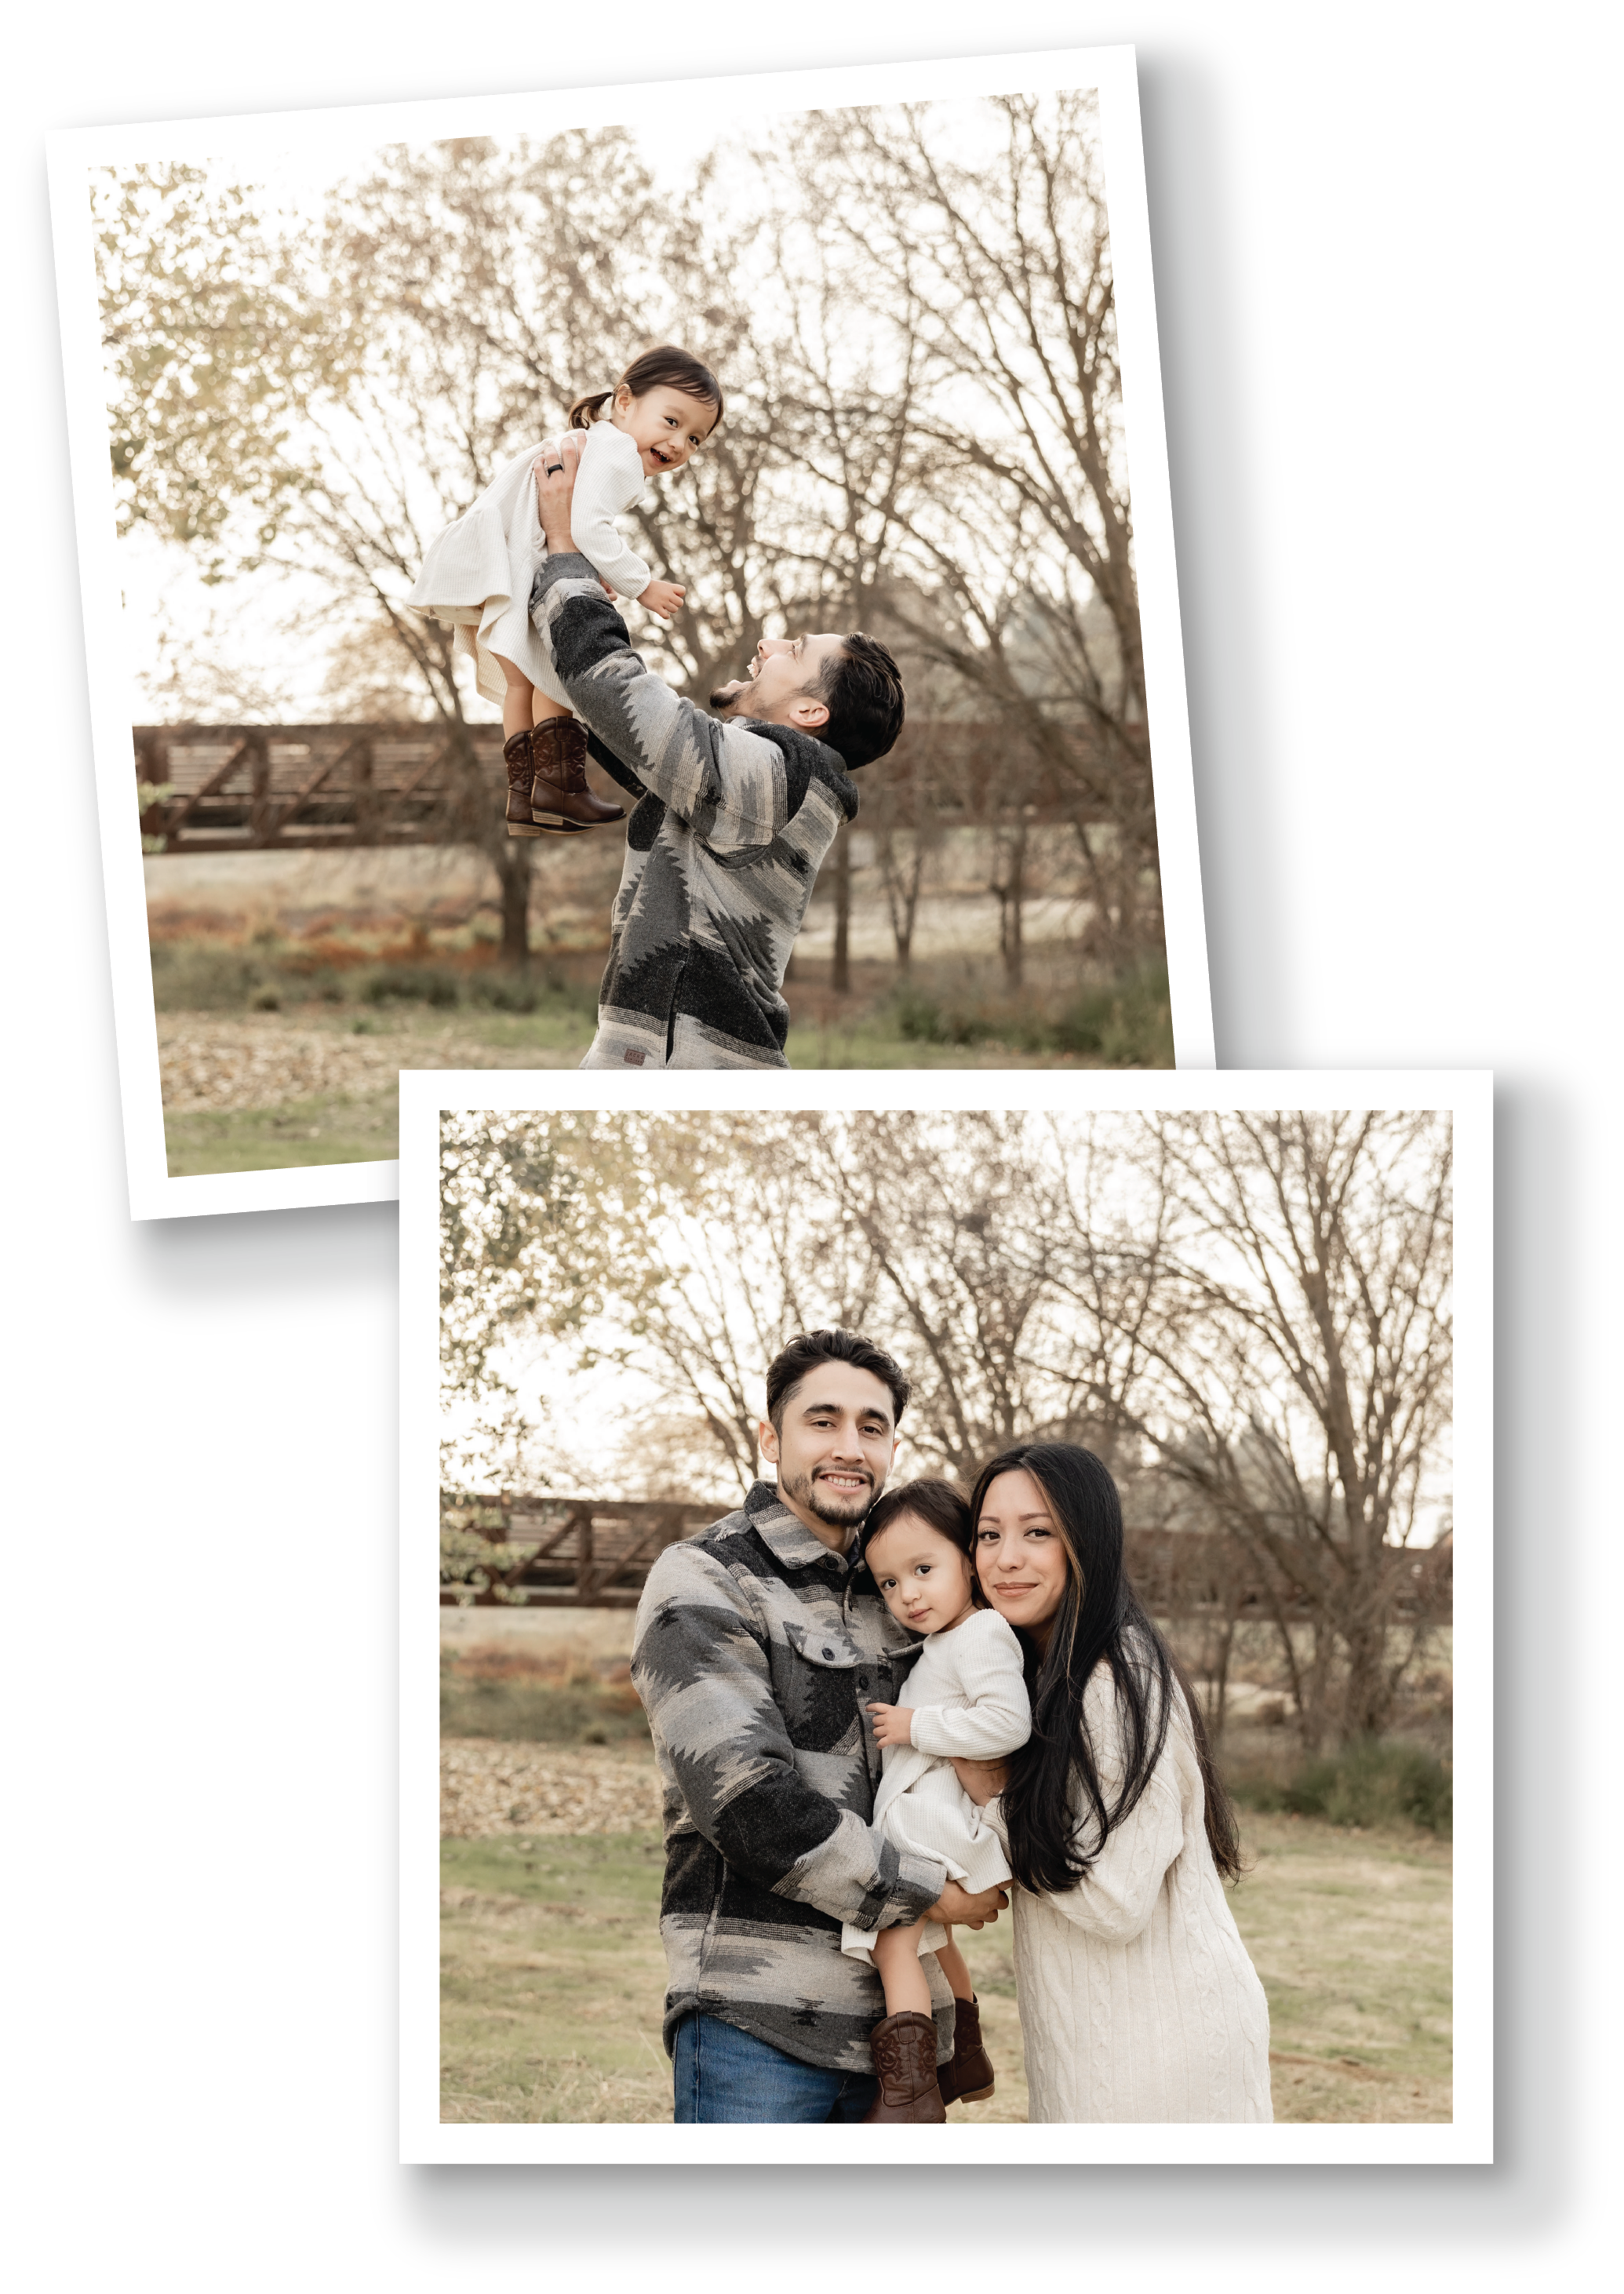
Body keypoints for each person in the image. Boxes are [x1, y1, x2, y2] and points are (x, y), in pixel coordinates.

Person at [628, 1331, 1009, 2123]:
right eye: (823, 1420)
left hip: (904, 2038)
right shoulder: (707, 1577)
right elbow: (747, 1803)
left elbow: (995, 1719)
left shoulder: (908, 1585)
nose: (849, 1446)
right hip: (759, 2022)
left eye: (872, 1426)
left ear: (893, 1447)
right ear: (771, 1438)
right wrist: (933, 1891)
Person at [529, 433, 906, 1069]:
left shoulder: (784, 781)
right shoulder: (754, 781)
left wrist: (565, 550)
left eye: (793, 651)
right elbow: (606, 716)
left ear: (810, 713)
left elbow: (617, 694)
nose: (769, 643)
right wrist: (561, 579)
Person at [948, 1444, 1275, 2123]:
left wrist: (992, 1795)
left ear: (1087, 1544)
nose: (1006, 1558)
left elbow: (1115, 1902)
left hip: (1159, 2048)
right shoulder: (1043, 1678)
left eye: (1038, 1532)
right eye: (989, 1534)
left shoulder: (1116, 1680)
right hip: (1097, 2037)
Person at [407, 345, 721, 839]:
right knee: (555, 674)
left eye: (695, 438)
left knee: (521, 685)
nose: (680, 443)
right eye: (671, 421)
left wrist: (586, 570)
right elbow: (589, 527)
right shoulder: (618, 453)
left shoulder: (594, 443)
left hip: (503, 565)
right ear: (624, 402)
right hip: (523, 567)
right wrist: (642, 584)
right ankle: (559, 787)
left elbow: (571, 523)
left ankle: (525, 798)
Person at [839, 1480, 1030, 2121]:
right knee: (933, 1940)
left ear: (970, 1562)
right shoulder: (950, 1639)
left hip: (940, 1822)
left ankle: (911, 2097)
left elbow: (1008, 1723)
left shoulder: (983, 1633)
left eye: (924, 1570)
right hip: (934, 1815)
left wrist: (916, 1726)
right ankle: (966, 2053)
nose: (908, 1594)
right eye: (890, 1583)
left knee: (894, 1939)